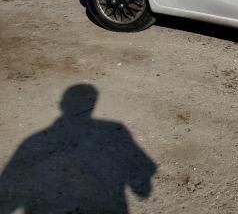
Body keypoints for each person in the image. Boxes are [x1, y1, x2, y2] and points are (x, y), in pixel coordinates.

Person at [0, 84, 156, 213]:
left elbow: (8, 187)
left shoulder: (34, 141)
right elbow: (143, 168)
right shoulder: (114, 131)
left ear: (62, 105)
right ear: (92, 106)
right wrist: (141, 186)